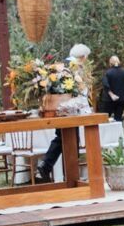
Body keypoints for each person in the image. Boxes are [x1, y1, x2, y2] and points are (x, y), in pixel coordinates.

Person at [36, 43, 95, 182]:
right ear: (83, 57)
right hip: (68, 108)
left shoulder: (63, 65)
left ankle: (50, 169)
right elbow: (77, 90)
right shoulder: (73, 68)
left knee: (64, 138)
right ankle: (67, 174)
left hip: (61, 107)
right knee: (69, 140)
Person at [101, 54, 124, 121]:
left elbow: (105, 84)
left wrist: (112, 95)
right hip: (122, 99)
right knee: (118, 118)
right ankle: (119, 131)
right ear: (119, 62)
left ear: (110, 63)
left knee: (105, 119)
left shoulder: (108, 73)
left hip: (109, 100)